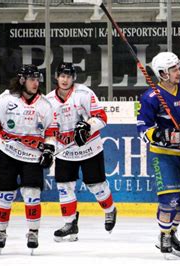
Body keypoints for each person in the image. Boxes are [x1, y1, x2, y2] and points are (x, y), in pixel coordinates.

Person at [137, 52, 180, 259]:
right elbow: (142, 129)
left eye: (178, 67)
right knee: (170, 198)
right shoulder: (150, 97)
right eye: (174, 69)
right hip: (164, 154)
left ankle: (172, 233)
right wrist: (160, 134)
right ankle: (164, 235)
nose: (179, 71)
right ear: (162, 74)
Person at [0, 64, 56, 252]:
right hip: (8, 153)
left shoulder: (45, 105)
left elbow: (51, 131)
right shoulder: (5, 100)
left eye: (37, 79)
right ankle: (0, 231)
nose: (36, 83)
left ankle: (33, 232)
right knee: (5, 195)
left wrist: (49, 150)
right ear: (22, 80)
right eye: (32, 79)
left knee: (32, 195)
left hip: (33, 156)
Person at [46, 62, 117, 242]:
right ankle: (70, 223)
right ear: (56, 77)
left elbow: (102, 118)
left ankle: (110, 210)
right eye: (62, 76)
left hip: (89, 148)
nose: (65, 79)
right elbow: (48, 129)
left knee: (96, 186)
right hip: (64, 151)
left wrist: (86, 126)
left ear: (74, 78)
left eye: (68, 76)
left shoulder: (84, 94)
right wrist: (48, 147)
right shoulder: (49, 101)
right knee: (64, 187)